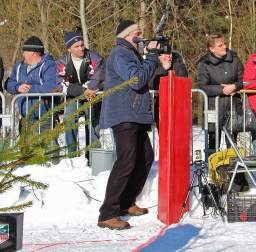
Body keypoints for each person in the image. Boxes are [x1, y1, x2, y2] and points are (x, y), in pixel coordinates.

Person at [98, 20, 158, 230]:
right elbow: (137, 80)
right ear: (127, 36)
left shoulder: (131, 54)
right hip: (124, 114)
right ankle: (108, 212)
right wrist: (151, 57)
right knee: (126, 162)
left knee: (146, 157)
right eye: (138, 34)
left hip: (136, 114)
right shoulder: (120, 54)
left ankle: (125, 202)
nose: (142, 37)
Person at [57, 31, 104, 155]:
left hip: (93, 96)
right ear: (69, 49)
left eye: (82, 45)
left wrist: (90, 88)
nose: (81, 48)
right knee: (68, 119)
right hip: (75, 97)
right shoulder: (63, 61)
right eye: (76, 46)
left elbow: (98, 78)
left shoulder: (95, 58)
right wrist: (83, 90)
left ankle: (94, 156)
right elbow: (61, 83)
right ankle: (72, 155)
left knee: (93, 124)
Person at [197, 32, 244, 155]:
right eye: (220, 45)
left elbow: (243, 80)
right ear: (211, 49)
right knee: (213, 143)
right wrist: (221, 90)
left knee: (233, 143)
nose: (224, 47)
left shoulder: (235, 59)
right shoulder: (204, 63)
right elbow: (202, 86)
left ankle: (235, 171)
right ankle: (212, 171)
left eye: (224, 44)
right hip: (214, 107)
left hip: (233, 106)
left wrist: (235, 86)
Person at [6, 36, 57, 131]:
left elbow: (51, 87)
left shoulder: (49, 65)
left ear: (32, 53)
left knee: (47, 145)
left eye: (25, 51)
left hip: (44, 119)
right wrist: (18, 87)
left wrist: (29, 89)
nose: (23, 54)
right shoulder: (19, 66)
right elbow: (9, 83)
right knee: (25, 146)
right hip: (25, 119)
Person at [148, 50, 188, 128]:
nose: (169, 56)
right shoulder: (152, 64)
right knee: (163, 133)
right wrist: (163, 68)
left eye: (170, 53)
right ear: (159, 55)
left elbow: (182, 83)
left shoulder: (177, 63)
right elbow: (150, 84)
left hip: (176, 106)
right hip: (159, 105)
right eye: (165, 54)